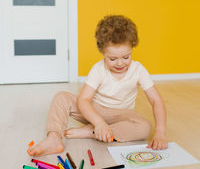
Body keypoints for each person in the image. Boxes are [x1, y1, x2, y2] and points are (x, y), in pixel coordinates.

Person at [28, 15, 168, 157]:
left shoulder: (138, 70)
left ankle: (91, 132)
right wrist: (99, 122)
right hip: (95, 111)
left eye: (126, 57)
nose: (120, 63)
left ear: (132, 49)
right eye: (112, 59)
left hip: (122, 115)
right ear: (103, 52)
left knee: (144, 127)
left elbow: (156, 100)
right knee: (61, 97)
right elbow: (83, 100)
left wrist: (160, 132)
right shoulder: (98, 69)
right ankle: (54, 138)